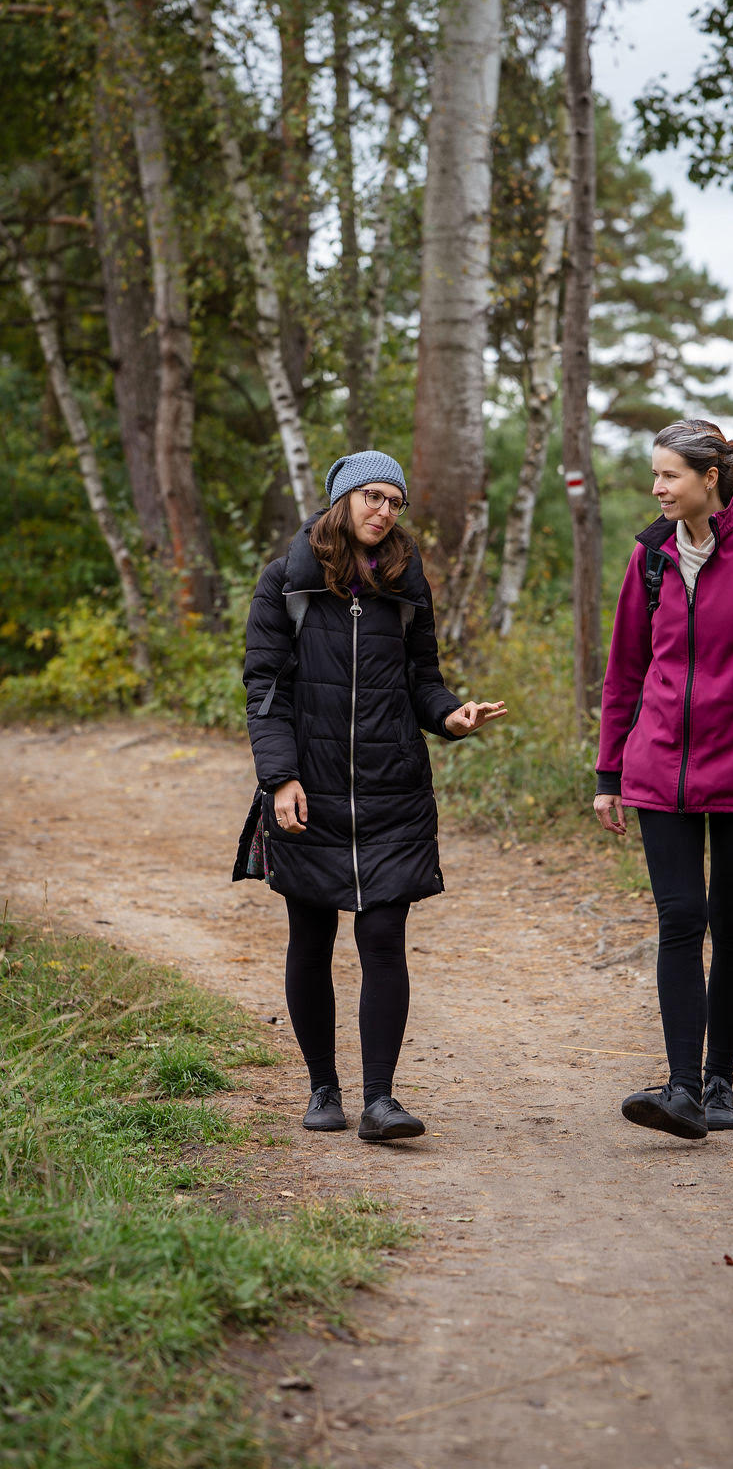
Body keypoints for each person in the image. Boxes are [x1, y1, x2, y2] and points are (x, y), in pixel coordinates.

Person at [234, 451, 506, 1143]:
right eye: (372, 498)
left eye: (395, 501)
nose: (384, 511)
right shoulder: (287, 584)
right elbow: (266, 692)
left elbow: (423, 681)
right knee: (312, 934)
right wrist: (280, 778)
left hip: (393, 791)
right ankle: (324, 1089)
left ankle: (381, 1099)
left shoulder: (407, 588)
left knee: (384, 935)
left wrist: (451, 717)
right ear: (343, 502)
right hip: (311, 789)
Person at [593, 419, 733, 1139]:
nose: (656, 488)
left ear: (708, 479)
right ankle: (682, 1088)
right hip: (658, 766)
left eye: (669, 476)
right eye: (654, 475)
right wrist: (608, 770)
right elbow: (624, 668)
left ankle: (720, 1082)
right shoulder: (649, 556)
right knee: (681, 919)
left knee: (731, 920)